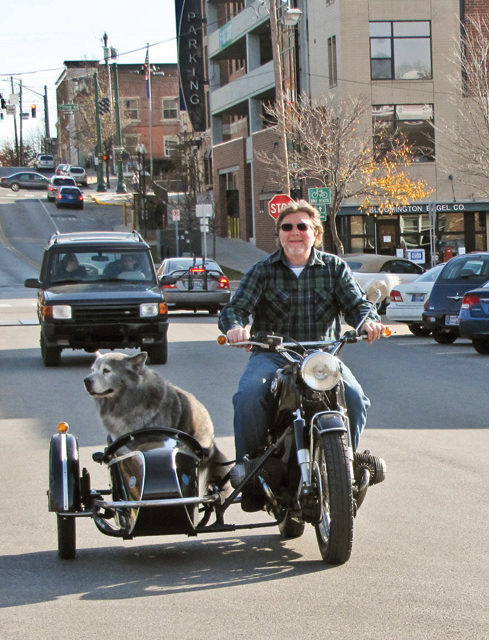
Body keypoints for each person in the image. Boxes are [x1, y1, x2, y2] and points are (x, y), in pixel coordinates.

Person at [218, 199, 386, 511]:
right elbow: (235, 309)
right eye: (287, 227)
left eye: (302, 227)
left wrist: (369, 322)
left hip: (321, 357)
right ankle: (252, 474)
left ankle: (343, 468)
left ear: (315, 233)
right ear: (279, 234)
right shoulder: (263, 271)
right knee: (249, 395)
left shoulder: (334, 268)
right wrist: (236, 328)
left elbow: (358, 305)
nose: (295, 232)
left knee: (355, 398)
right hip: (273, 354)